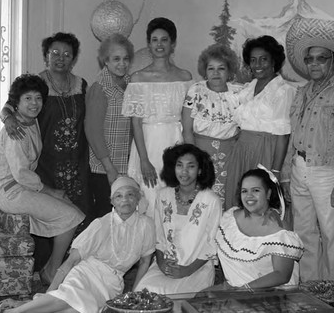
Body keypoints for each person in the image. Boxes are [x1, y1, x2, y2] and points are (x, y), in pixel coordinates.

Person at [281, 17, 334, 282]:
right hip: (299, 169)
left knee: (332, 235)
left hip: (328, 174)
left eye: (321, 58)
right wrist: (286, 173)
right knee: (304, 234)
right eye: (310, 59)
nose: (315, 64)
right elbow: (292, 135)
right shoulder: (303, 91)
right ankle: (311, 290)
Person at [0, 176, 155, 313]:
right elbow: (70, 262)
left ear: (138, 198)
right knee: (72, 297)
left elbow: (145, 261)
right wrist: (51, 292)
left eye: (130, 195)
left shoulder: (146, 225)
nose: (125, 200)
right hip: (86, 273)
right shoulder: (101, 224)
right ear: (112, 201)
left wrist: (135, 295)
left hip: (111, 285)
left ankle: (29, 305)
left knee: (73, 310)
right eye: (119, 196)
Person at [0, 32, 92, 271]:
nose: (60, 58)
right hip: (43, 167)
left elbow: (89, 120)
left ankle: (69, 268)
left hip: (75, 160)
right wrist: (7, 118)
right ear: (45, 56)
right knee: (63, 215)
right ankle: (50, 269)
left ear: (73, 58)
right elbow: (10, 105)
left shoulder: (81, 84)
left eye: (66, 54)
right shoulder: (34, 88)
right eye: (54, 53)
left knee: (78, 211)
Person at [0, 74, 85, 285]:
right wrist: (51, 191)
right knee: (71, 216)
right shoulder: (15, 131)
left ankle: (54, 268)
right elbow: (21, 175)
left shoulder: (31, 121)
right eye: (28, 98)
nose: (34, 103)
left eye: (38, 98)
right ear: (16, 103)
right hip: (11, 191)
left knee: (72, 208)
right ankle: (51, 270)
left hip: (24, 187)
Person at [122, 17, 193, 217]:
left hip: (176, 141)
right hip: (148, 144)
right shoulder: (137, 78)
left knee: (175, 197)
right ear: (149, 44)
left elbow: (188, 122)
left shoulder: (185, 78)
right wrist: (144, 160)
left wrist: (191, 155)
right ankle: (150, 247)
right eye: (154, 40)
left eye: (164, 40)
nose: (159, 44)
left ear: (173, 44)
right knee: (150, 199)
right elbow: (135, 123)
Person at [134, 144, 222, 295]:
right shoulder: (163, 195)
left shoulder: (211, 200)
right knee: (143, 293)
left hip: (197, 267)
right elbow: (159, 236)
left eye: (191, 166)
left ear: (200, 170)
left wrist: (187, 270)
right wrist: (161, 263)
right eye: (179, 165)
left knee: (178, 300)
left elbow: (211, 244)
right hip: (165, 264)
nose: (184, 171)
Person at [224, 36, 296, 210]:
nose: (258, 65)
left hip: (265, 151)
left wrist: (276, 171)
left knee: (262, 204)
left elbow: (283, 135)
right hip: (241, 151)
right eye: (253, 60)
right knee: (238, 203)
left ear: (274, 61)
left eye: (264, 59)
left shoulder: (283, 91)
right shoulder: (248, 88)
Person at [212, 167, 304, 292]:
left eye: (256, 190)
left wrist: (244, 290)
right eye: (244, 191)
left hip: (270, 298)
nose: (249, 196)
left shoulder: (280, 230)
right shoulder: (229, 218)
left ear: (268, 193)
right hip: (233, 295)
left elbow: (282, 275)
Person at [182, 43, 243, 206]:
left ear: (229, 71)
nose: (216, 73)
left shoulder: (239, 93)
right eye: (211, 68)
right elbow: (187, 130)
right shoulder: (195, 90)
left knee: (228, 200)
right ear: (204, 71)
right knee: (202, 201)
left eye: (221, 68)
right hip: (201, 154)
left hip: (230, 157)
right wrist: (195, 159)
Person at [85, 33, 134, 218]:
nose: (122, 63)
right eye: (116, 59)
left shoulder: (130, 84)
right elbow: (92, 131)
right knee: (105, 217)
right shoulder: (100, 88)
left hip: (126, 163)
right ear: (105, 61)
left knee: (124, 216)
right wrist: (109, 167)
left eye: (126, 58)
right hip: (104, 167)